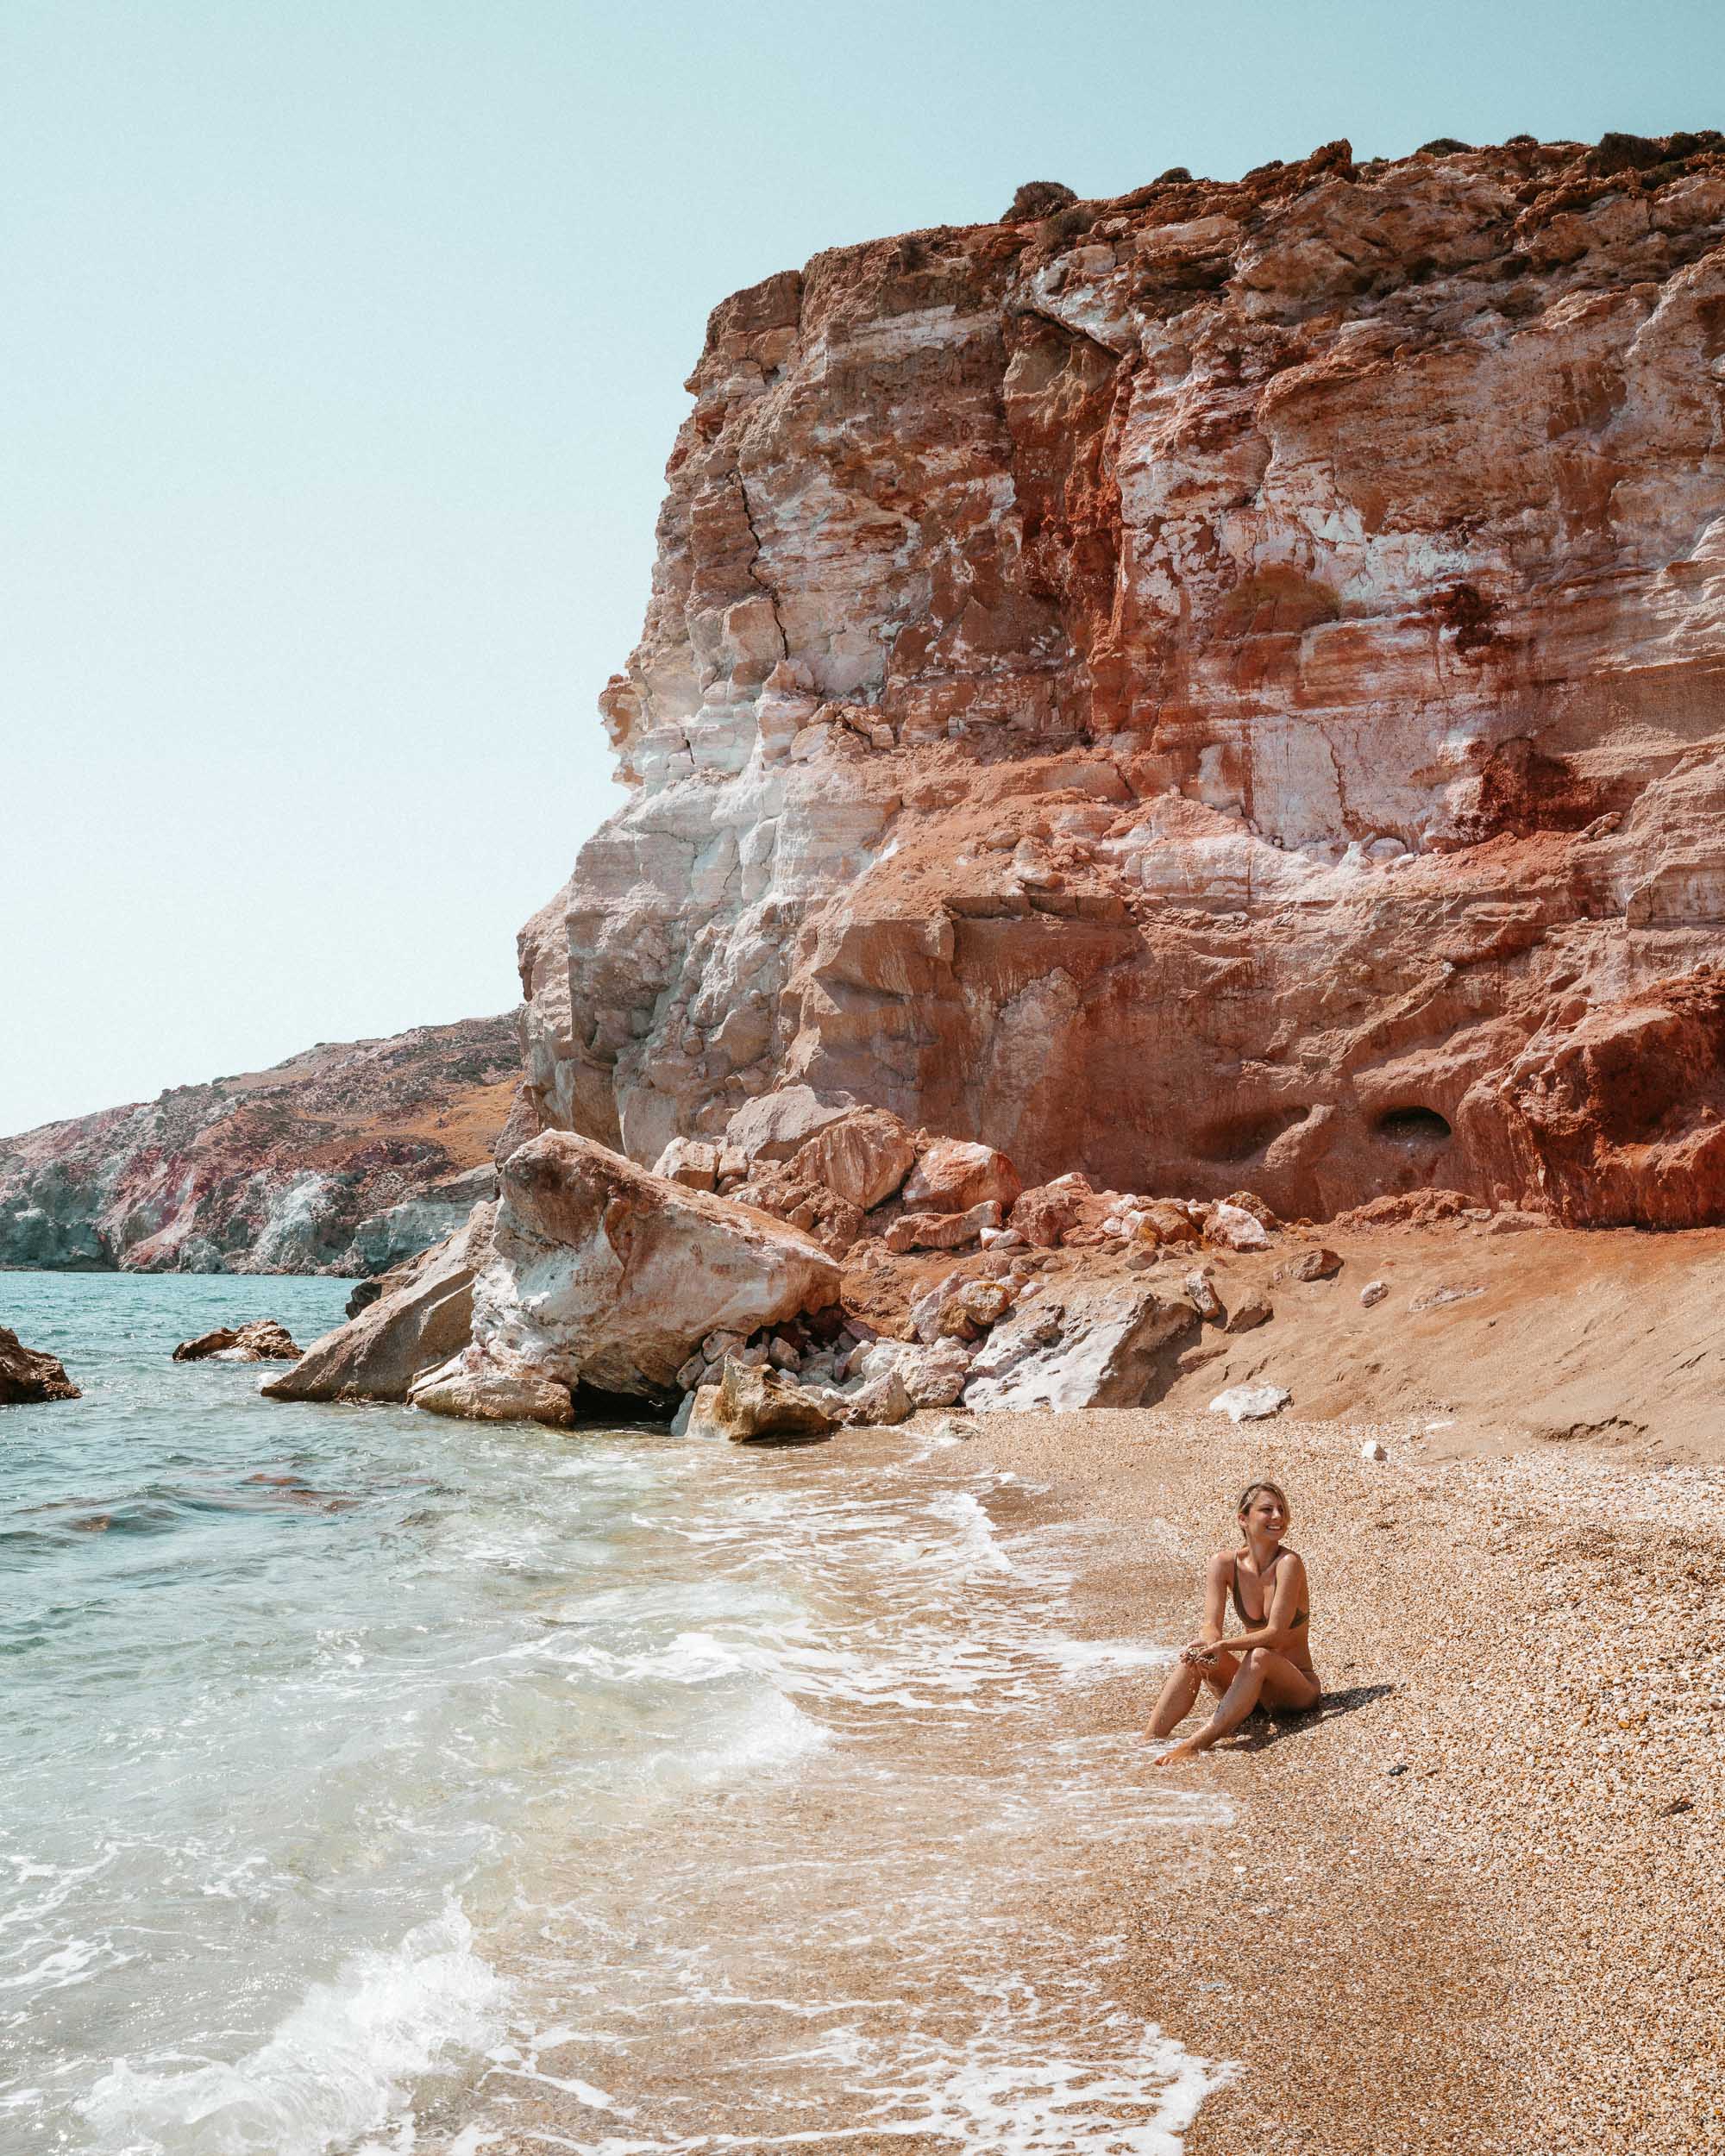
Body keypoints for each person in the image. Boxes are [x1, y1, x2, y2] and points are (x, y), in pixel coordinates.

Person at [1145, 1479, 1320, 1765]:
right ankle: (1149, 1740)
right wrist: (1209, 1644)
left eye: (1281, 1509)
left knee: (1260, 1655)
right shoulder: (1224, 1564)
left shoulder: (1289, 1564)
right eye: (1267, 1510)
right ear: (1243, 1518)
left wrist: (1224, 1644)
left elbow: (1274, 1635)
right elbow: (1210, 1625)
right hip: (1251, 1696)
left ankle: (1196, 1743)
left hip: (1294, 1691)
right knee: (1197, 1651)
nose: (1278, 1517)